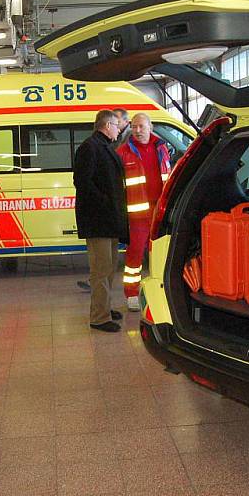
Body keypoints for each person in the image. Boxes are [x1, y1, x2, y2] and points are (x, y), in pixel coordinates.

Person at [73, 110, 128, 332]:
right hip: (98, 221)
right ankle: (98, 317)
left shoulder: (104, 146)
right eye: (117, 125)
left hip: (109, 220)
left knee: (109, 268)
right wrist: (105, 202)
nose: (120, 129)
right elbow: (82, 182)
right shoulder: (90, 147)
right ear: (106, 126)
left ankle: (105, 307)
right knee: (100, 270)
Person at [116, 113, 171, 311]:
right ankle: (131, 294)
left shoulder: (162, 148)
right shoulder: (123, 152)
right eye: (134, 126)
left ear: (150, 127)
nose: (137, 131)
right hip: (137, 216)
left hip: (161, 213)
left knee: (161, 254)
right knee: (134, 256)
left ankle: (162, 289)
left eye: (141, 126)